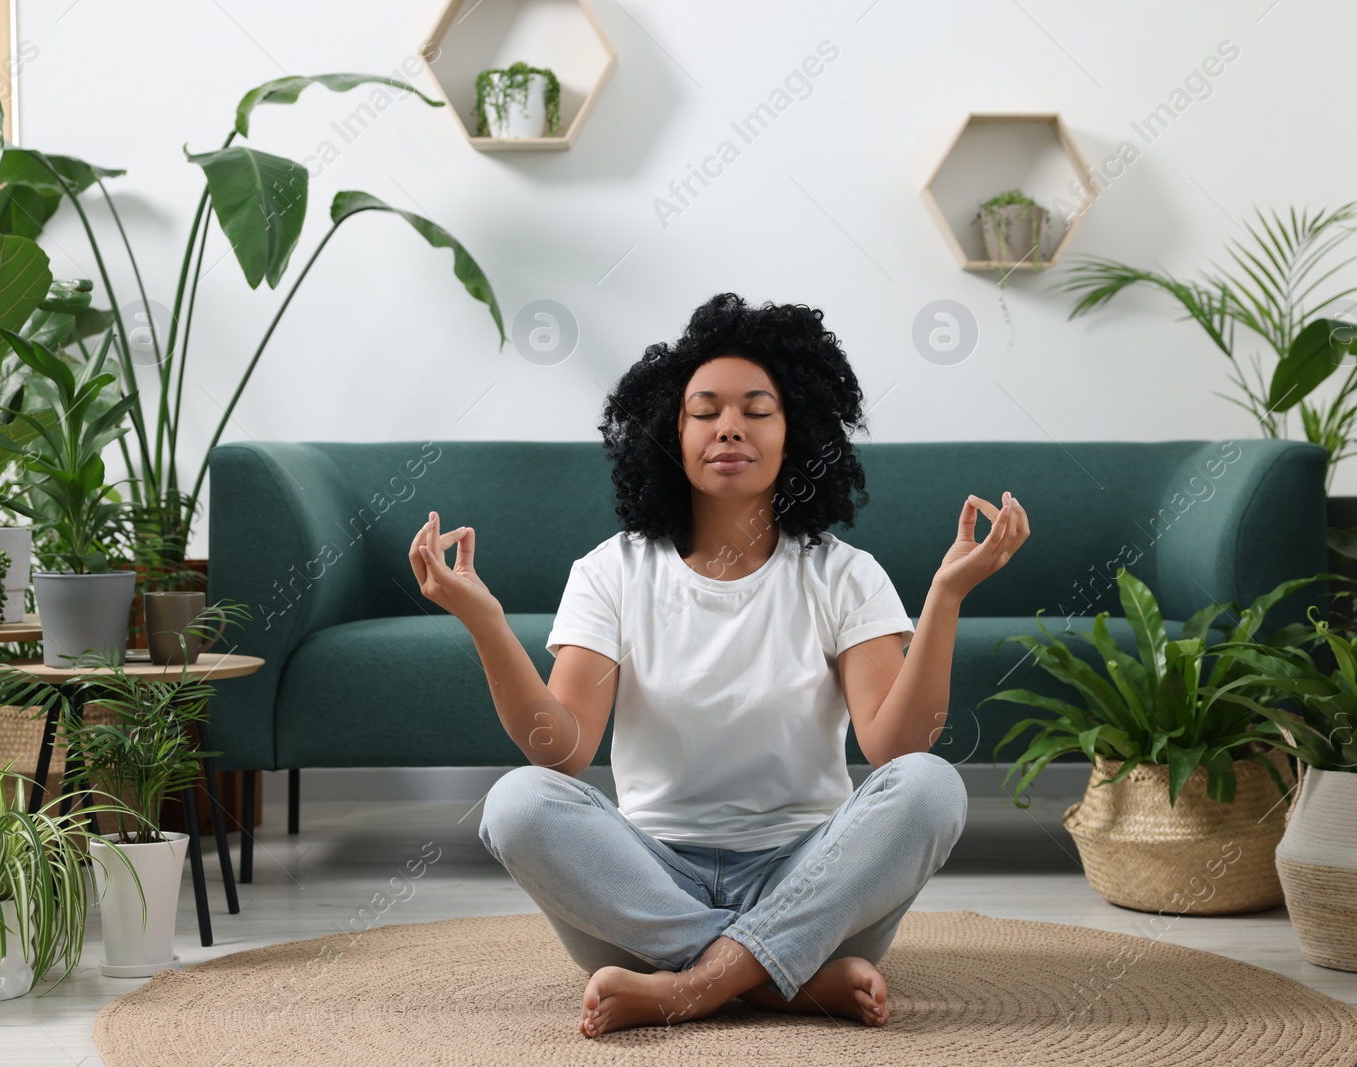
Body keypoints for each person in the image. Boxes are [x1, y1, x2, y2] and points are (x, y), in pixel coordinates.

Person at [408, 292, 1030, 1039]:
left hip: (810, 879)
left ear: (795, 430)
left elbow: (895, 750)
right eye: (705, 410)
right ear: (670, 432)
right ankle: (777, 981)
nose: (728, 425)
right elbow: (561, 751)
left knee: (933, 786)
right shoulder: (613, 571)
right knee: (517, 802)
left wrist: (946, 594)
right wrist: (485, 621)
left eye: (756, 408)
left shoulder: (844, 574)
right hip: (642, 889)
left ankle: (691, 985)